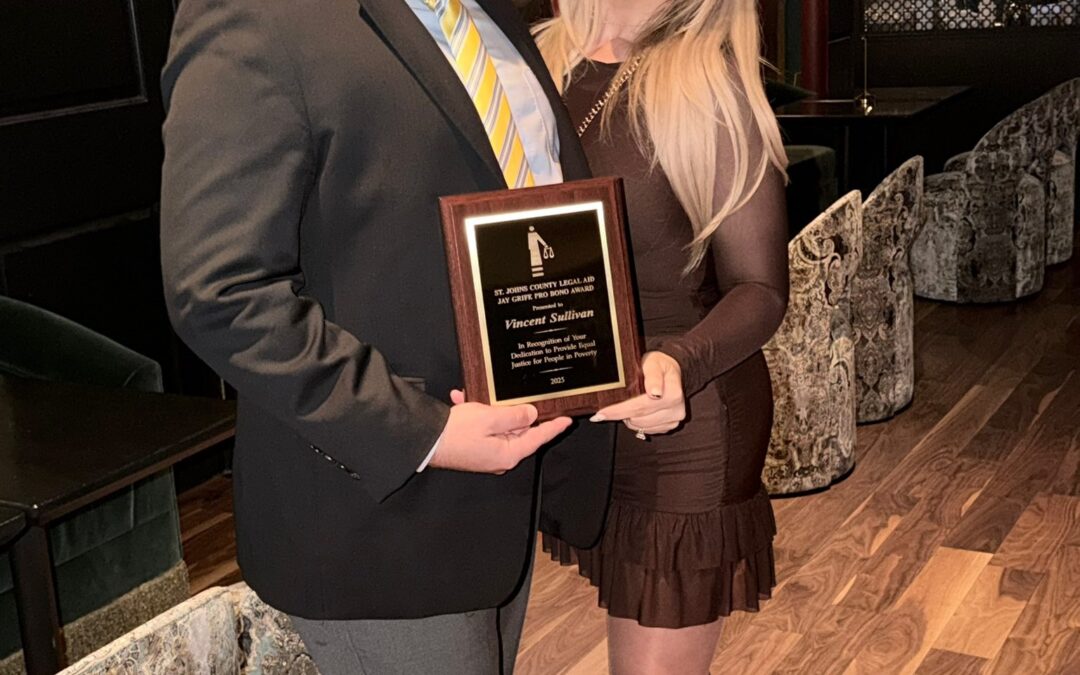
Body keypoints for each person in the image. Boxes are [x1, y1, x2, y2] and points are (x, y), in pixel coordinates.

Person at [159, 0, 616, 672]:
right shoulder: (258, 14)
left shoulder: (493, 14)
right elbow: (219, 292)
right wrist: (423, 433)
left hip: (504, 498)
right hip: (379, 525)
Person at [534, 0, 790, 672]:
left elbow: (760, 287)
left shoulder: (706, 81)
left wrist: (679, 359)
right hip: (568, 415)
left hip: (681, 422)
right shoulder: (530, 59)